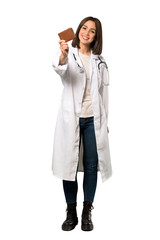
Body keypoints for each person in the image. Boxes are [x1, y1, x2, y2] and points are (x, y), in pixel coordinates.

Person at [52, 16, 112, 231]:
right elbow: (59, 69)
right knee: (68, 166)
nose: (87, 32)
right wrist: (63, 55)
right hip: (72, 120)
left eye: (92, 31)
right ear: (78, 31)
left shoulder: (100, 60)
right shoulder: (70, 55)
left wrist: (105, 122)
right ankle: (71, 211)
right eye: (84, 28)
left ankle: (87, 211)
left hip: (93, 121)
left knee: (91, 166)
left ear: (97, 36)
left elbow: (103, 92)